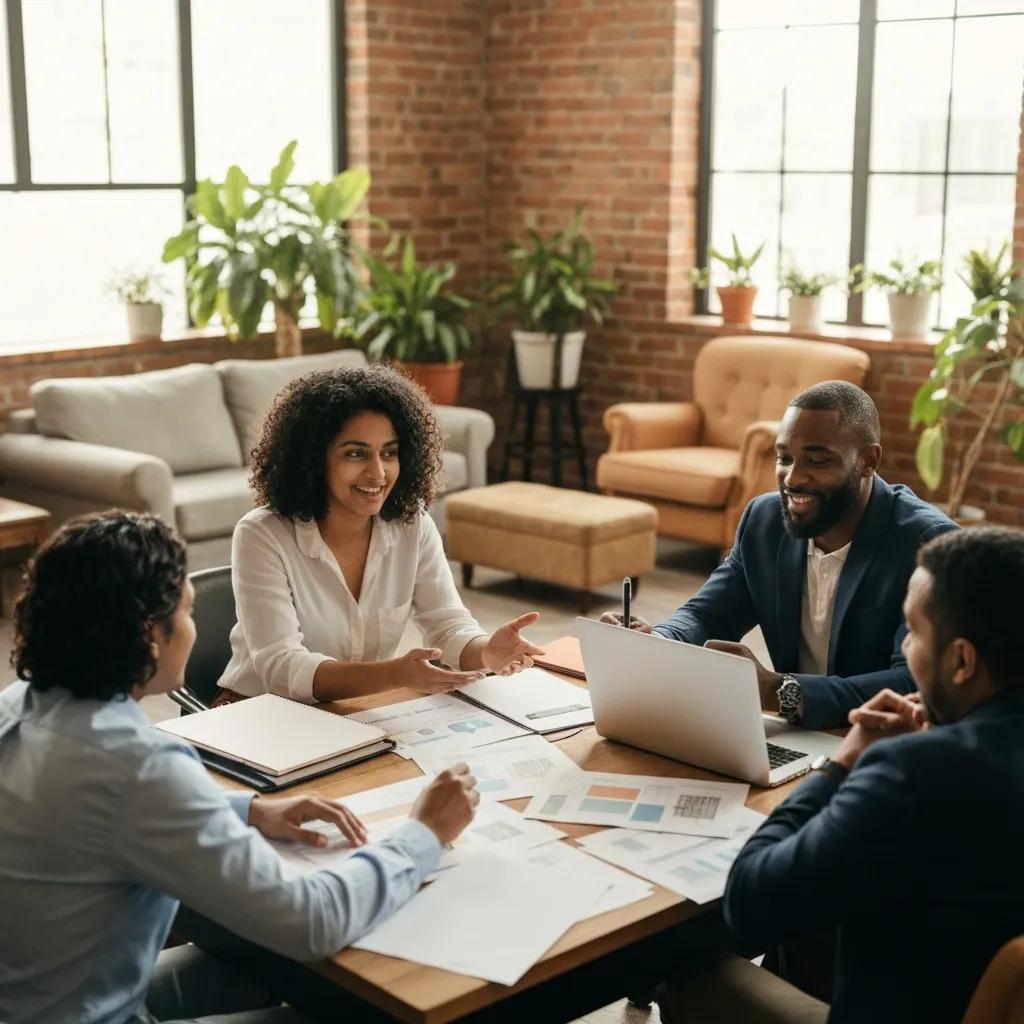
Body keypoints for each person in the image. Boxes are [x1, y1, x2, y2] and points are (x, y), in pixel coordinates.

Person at [0, 511, 480, 1024]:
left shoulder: (18, 703)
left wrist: (248, 810)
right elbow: (311, 921)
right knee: (362, 1011)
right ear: (149, 635)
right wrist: (423, 834)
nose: (193, 626)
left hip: (39, 998)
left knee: (253, 968)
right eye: (186, 612)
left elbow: (92, 811)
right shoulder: (140, 766)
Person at [657, 526, 1024, 1024]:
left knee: (680, 963)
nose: (907, 651)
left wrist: (841, 764)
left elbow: (748, 903)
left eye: (913, 633)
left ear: (961, 660)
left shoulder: (912, 772)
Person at [604, 381, 955, 729]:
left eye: (817, 460)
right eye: (784, 458)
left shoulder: (930, 545)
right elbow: (709, 614)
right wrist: (659, 641)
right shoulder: (764, 520)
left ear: (868, 461)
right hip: (794, 734)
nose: (794, 477)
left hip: (881, 740)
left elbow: (913, 683)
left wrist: (780, 691)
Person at [216, 365, 543, 705]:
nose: (378, 472)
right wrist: (396, 674)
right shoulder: (262, 534)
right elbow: (281, 668)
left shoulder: (411, 524)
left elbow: (448, 627)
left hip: (351, 708)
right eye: (355, 454)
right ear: (314, 460)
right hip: (257, 711)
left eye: (389, 453)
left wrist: (487, 651)